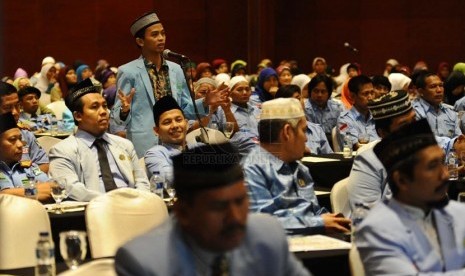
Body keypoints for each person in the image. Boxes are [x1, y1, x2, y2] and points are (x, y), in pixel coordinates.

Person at [115, 143, 311, 276]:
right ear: (183, 212)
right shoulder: (144, 263)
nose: (235, 217)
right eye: (219, 207)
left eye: (241, 201)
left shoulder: (267, 236)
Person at [355, 119, 465, 274]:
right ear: (402, 180)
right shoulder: (377, 230)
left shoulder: (457, 213)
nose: (445, 175)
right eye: (432, 166)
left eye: (442, 162)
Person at [111, 11, 223, 157]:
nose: (161, 38)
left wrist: (205, 102)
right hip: (145, 142)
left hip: (175, 139)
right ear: (140, 41)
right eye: (155, 34)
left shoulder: (176, 69)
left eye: (163, 34)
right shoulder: (128, 71)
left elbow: (184, 109)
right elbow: (116, 117)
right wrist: (124, 110)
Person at [243, 98, 351, 234]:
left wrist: (334, 220)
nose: (306, 139)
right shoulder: (252, 170)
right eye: (304, 130)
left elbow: (314, 212)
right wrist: (319, 223)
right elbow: (260, 225)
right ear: (287, 132)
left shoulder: (299, 168)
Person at [48, 79, 150, 202]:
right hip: (94, 211)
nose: (103, 112)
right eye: (95, 107)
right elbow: (73, 190)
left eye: (105, 106)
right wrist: (114, 202)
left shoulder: (124, 144)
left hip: (135, 207)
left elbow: (141, 181)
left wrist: (139, 201)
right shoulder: (62, 150)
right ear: (78, 116)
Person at [0, 112, 53, 202]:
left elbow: (52, 188)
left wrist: (16, 193)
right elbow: (3, 198)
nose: (20, 144)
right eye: (12, 140)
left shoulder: (29, 167)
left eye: (20, 139)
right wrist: (35, 190)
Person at [0, 82, 49, 173]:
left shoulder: (25, 133)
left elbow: (43, 164)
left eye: (17, 106)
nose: (15, 112)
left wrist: (27, 183)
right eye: (7, 107)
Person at [144, 96, 190, 180]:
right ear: (156, 131)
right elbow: (170, 179)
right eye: (167, 122)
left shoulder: (199, 147)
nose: (175, 125)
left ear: (187, 124)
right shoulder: (155, 154)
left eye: (178, 120)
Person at [412, 72, 461, 138]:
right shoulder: (414, 113)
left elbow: (459, 139)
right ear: (421, 91)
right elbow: (423, 139)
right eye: (433, 87)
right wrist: (452, 143)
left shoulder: (451, 112)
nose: (439, 90)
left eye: (441, 85)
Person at [337, 75, 379, 149]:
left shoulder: (377, 116)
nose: (370, 97)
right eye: (365, 94)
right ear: (353, 96)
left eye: (372, 93)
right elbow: (356, 146)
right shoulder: (344, 120)